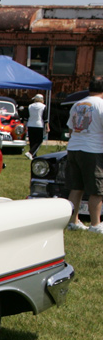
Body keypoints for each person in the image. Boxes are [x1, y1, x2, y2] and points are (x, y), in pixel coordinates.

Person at [64, 77, 103, 233]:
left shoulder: (77, 104)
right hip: (93, 150)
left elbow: (70, 129)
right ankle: (95, 224)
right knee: (96, 190)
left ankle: (73, 222)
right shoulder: (101, 105)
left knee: (76, 187)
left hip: (74, 148)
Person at [25, 93, 48, 159]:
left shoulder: (30, 106)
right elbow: (45, 118)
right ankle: (30, 152)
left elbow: (26, 117)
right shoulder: (43, 106)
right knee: (39, 141)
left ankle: (33, 155)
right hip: (39, 125)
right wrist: (47, 127)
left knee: (32, 141)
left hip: (30, 125)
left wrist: (25, 126)